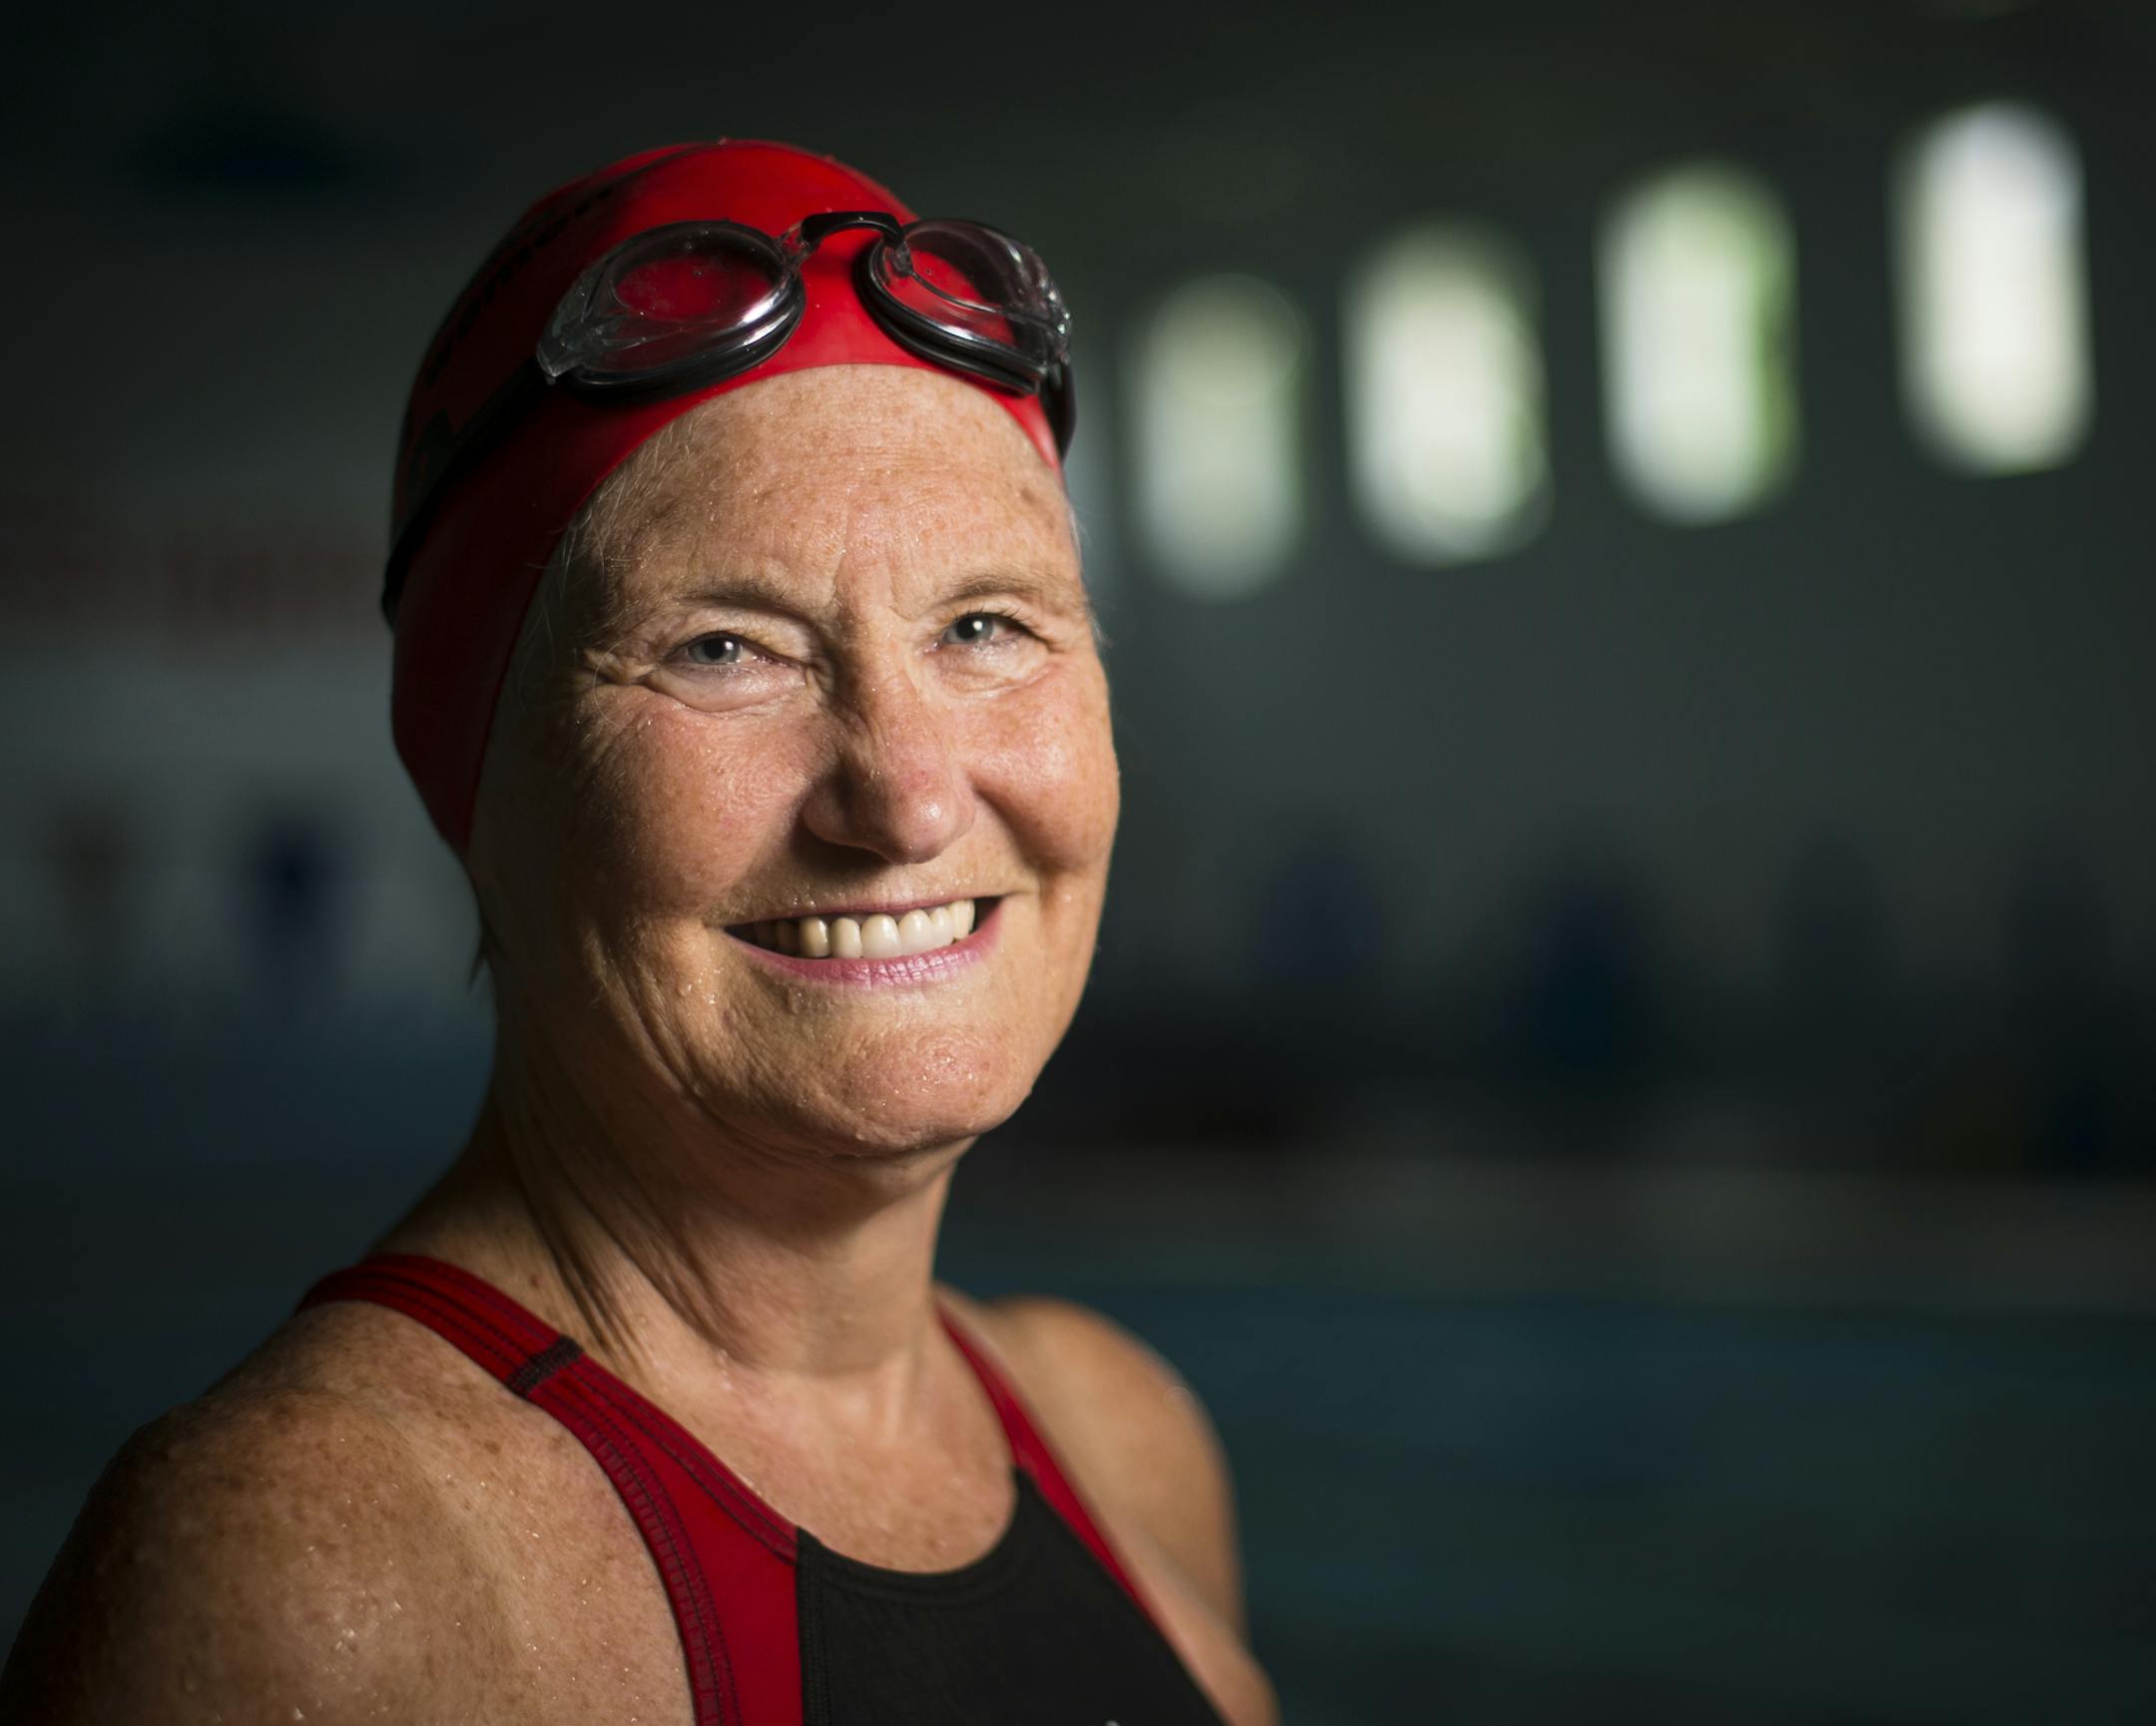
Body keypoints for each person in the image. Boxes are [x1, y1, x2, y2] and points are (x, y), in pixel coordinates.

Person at [1, 141, 1277, 1725]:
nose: (902, 796)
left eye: (986, 626)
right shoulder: (320, 1570)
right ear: (481, 779)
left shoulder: (1117, 1433)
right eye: (727, 646)